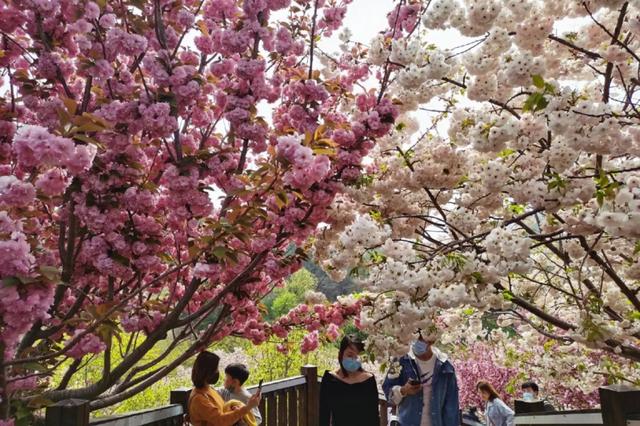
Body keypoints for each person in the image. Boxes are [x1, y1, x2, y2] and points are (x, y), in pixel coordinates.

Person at [382, 334, 460, 426]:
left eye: (420, 337)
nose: (416, 340)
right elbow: (388, 394)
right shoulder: (401, 361)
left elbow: (451, 406)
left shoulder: (446, 366)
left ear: (431, 340)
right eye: (414, 335)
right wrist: (403, 390)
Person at [319, 335, 381, 426]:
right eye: (350, 355)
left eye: (358, 356)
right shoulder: (330, 379)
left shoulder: (369, 380)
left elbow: (374, 417)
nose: (354, 359)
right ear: (341, 354)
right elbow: (323, 415)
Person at [189, 351, 261, 426]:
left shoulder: (209, 389)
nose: (217, 372)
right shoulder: (199, 399)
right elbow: (221, 420)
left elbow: (222, 410)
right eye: (216, 369)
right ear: (207, 372)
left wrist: (233, 409)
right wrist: (248, 407)